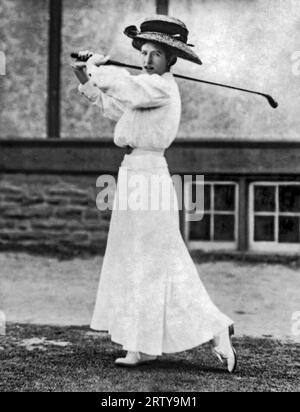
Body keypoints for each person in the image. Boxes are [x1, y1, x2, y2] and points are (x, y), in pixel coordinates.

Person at [71, 15, 237, 373]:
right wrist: (85, 75)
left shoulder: (160, 88)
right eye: (144, 52)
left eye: (156, 54)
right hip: (131, 174)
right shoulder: (145, 89)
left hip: (150, 177)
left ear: (171, 59)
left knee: (156, 259)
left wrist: (98, 66)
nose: (147, 60)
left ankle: (215, 327)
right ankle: (140, 344)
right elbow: (115, 106)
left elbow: (127, 89)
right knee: (135, 259)